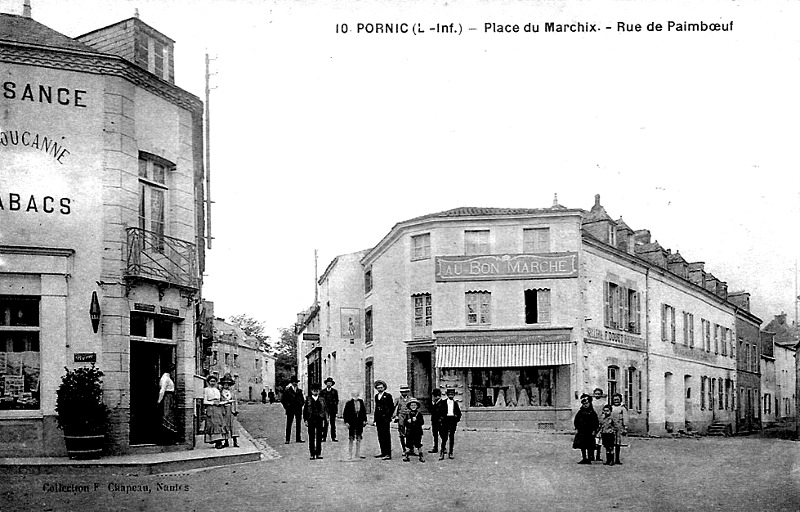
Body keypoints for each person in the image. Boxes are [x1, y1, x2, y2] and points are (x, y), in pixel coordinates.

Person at [303, 383, 328, 460]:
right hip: (311, 419)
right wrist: (305, 420)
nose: (315, 392)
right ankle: (312, 453)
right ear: (311, 391)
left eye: (317, 390)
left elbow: (325, 410)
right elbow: (305, 411)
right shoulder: (308, 399)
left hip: (319, 419)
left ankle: (318, 453)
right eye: (314, 390)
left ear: (319, 391)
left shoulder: (322, 399)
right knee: (311, 437)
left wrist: (325, 419)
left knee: (319, 436)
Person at [435, 387, 461, 460]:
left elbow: (459, 413)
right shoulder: (443, 403)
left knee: (451, 437)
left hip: (452, 420)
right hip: (445, 420)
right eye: (449, 394)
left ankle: (451, 452)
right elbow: (439, 412)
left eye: (452, 394)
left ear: (454, 395)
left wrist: (456, 419)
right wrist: (441, 419)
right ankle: (442, 452)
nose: (451, 396)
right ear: (447, 395)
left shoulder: (455, 403)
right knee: (444, 437)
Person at [203, 375, 228, 449]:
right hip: (211, 408)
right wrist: (213, 403)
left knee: (220, 424)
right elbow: (204, 401)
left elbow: (220, 400)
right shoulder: (206, 390)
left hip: (218, 408)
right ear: (208, 382)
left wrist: (223, 403)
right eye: (211, 381)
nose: (213, 383)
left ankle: (219, 441)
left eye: (214, 381)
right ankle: (217, 442)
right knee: (213, 424)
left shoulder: (217, 390)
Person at [573, 393, 599, 464]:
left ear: (590, 403)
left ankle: (590, 458)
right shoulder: (580, 412)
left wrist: (594, 430)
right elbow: (576, 421)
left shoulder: (592, 413)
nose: (585, 405)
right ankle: (584, 458)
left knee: (590, 445)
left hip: (590, 432)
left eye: (587, 403)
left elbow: (595, 422)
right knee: (582, 445)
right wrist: (577, 428)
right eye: (584, 403)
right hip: (582, 431)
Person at [342, 389, 368, 460]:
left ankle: (358, 453)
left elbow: (363, 412)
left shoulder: (361, 402)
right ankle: (350, 453)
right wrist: (346, 422)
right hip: (351, 422)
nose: (355, 396)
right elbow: (345, 414)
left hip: (359, 422)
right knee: (351, 437)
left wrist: (364, 420)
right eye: (354, 395)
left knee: (359, 437)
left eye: (357, 395)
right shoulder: (349, 403)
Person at [373, 380, 394, 460]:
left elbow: (391, 407)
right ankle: (383, 452)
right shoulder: (376, 396)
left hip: (385, 418)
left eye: (381, 387)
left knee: (386, 435)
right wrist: (375, 419)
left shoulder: (388, 396)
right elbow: (376, 408)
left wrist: (389, 416)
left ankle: (388, 453)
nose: (380, 389)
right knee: (380, 435)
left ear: (384, 388)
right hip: (379, 419)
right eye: (378, 388)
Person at [156, 364, 177, 444]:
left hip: (170, 397)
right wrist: (159, 400)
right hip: (167, 397)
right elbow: (162, 390)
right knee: (167, 415)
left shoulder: (168, 377)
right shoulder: (165, 378)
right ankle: (166, 438)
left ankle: (170, 437)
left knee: (170, 415)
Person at [281, 376, 305, 444]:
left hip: (298, 409)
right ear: (292, 383)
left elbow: (302, 400)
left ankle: (298, 438)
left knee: (298, 424)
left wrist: (300, 405)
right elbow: (283, 400)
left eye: (296, 382)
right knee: (289, 424)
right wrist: (287, 407)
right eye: (294, 382)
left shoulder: (299, 391)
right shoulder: (287, 390)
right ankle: (287, 439)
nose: (295, 383)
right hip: (290, 409)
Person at [392, 384, 414, 455]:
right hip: (401, 416)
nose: (404, 393)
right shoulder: (397, 399)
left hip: (409, 416)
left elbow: (415, 407)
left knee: (410, 432)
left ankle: (411, 449)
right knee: (401, 432)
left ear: (408, 392)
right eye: (402, 392)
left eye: (405, 392)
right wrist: (394, 416)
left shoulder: (411, 399)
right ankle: (404, 449)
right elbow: (393, 408)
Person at [402, 398, 425, 463]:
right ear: (409, 406)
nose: (413, 406)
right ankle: (407, 456)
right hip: (409, 431)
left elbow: (422, 422)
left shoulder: (419, 414)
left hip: (417, 431)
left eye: (415, 405)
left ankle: (421, 456)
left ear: (417, 406)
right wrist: (407, 421)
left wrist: (417, 420)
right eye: (412, 405)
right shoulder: (408, 414)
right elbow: (404, 423)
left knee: (418, 443)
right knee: (408, 444)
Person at [220, 373, 239, 448]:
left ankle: (235, 442)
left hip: (231, 410)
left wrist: (236, 409)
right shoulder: (220, 392)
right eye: (225, 384)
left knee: (233, 426)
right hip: (224, 410)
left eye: (228, 384)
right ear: (223, 384)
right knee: (225, 425)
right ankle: (226, 441)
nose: (226, 385)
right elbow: (220, 401)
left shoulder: (232, 392)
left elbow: (235, 401)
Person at [610, 393, 629, 464]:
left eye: (617, 400)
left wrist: (625, 427)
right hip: (612, 427)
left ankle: (617, 459)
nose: (616, 401)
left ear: (620, 400)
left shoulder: (622, 408)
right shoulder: (611, 407)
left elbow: (625, 418)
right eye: (614, 400)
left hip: (619, 427)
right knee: (611, 443)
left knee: (618, 444)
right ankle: (611, 459)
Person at [320, 377, 340, 442]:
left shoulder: (335, 391)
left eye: (330, 383)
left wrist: (334, 405)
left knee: (333, 424)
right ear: (326, 384)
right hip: (325, 410)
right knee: (325, 423)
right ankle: (323, 437)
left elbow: (337, 400)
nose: (329, 384)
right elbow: (321, 400)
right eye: (328, 383)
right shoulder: (323, 391)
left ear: (332, 384)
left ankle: (333, 437)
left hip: (332, 409)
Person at [591, 387, 606, 461]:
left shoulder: (603, 402)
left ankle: (598, 456)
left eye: (599, 394)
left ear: (601, 394)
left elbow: (604, 412)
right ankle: (592, 455)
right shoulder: (592, 402)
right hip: (593, 421)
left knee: (599, 440)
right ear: (594, 394)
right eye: (596, 394)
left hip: (601, 421)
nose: (597, 395)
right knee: (593, 439)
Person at [428, 388, 442, 454]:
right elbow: (431, 411)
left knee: (442, 434)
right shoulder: (433, 403)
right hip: (434, 421)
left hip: (441, 421)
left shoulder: (442, 403)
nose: (435, 397)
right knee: (435, 434)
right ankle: (435, 447)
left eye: (436, 396)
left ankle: (443, 447)